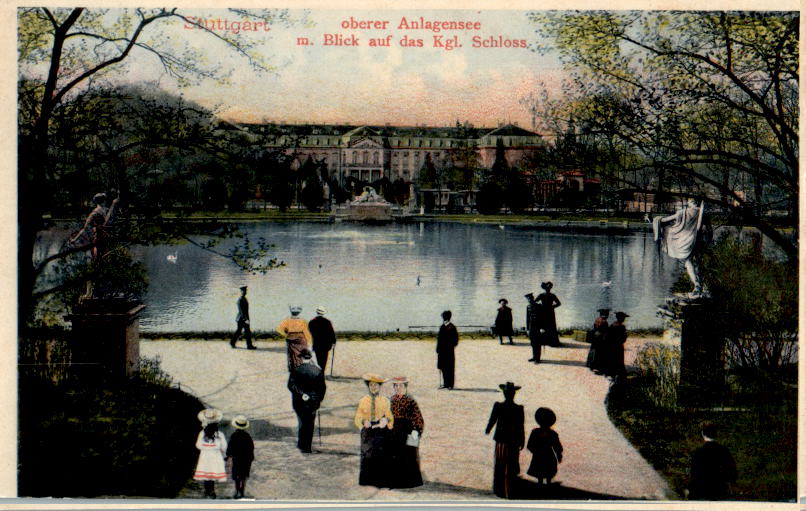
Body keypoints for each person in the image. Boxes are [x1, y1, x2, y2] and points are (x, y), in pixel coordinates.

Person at [653, 198, 708, 298]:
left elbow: (665, 220)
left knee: (688, 262)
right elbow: (707, 228)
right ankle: (702, 287)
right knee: (698, 262)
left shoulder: (682, 212)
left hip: (686, 240)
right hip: (699, 239)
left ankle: (697, 286)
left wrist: (656, 219)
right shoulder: (702, 212)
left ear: (689, 202)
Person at [485, 382, 525, 499]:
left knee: (501, 463)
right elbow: (520, 426)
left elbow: (492, 419)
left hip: (502, 439)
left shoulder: (498, 406)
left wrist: (488, 429)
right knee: (511, 464)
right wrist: (522, 440)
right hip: (512, 440)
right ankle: (509, 490)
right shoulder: (518, 408)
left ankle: (500, 489)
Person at [354, 373, 394, 487]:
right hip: (367, 429)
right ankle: (367, 480)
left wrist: (385, 421)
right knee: (367, 453)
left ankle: (380, 481)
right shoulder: (363, 400)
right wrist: (363, 421)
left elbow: (390, 416)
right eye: (371, 385)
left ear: (380, 387)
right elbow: (358, 416)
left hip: (380, 429)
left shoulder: (385, 400)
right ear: (368, 386)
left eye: (376, 385)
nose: (373, 387)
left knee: (380, 453)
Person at [388, 376, 425, 488]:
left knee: (410, 456)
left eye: (401, 386)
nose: (398, 388)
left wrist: (416, 431)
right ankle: (395, 481)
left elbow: (418, 418)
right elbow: (387, 416)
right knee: (394, 455)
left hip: (408, 431)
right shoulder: (391, 400)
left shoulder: (411, 401)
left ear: (405, 387)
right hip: (394, 431)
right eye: (396, 386)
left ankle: (411, 481)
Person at [287, 349, 327, 453]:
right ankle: (306, 447)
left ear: (301, 358)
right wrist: (318, 400)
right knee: (309, 424)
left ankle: (301, 444)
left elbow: (291, 385)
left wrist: (302, 394)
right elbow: (322, 389)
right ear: (310, 358)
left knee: (301, 422)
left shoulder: (296, 370)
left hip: (298, 402)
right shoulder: (318, 371)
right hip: (312, 403)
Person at [687, 423, 737, 500]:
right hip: (720, 490)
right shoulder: (724, 451)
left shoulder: (698, 452)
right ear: (716, 434)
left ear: (703, 434)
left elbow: (693, 473)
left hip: (702, 491)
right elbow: (732, 470)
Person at [193, 408, 228, 498]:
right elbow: (224, 446)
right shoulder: (219, 434)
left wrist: (206, 447)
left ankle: (207, 491)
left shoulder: (202, 433)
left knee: (206, 473)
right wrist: (224, 455)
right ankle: (211, 491)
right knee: (212, 473)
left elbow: (198, 445)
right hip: (215, 455)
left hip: (205, 455)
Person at [526, 407, 563, 485]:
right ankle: (546, 483)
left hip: (540, 455)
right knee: (547, 471)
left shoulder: (535, 432)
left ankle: (542, 484)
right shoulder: (552, 433)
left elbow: (530, 445)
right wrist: (559, 454)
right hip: (547, 454)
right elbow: (557, 446)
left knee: (542, 471)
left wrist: (534, 450)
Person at [226, 415, 254, 499]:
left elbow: (230, 447)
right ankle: (242, 492)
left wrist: (228, 455)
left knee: (237, 475)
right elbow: (251, 447)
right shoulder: (247, 436)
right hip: (246, 459)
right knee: (244, 475)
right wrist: (251, 457)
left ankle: (237, 490)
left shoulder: (234, 435)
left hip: (237, 459)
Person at [277, 305, 313, 371]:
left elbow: (279, 329)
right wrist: (309, 341)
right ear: (299, 312)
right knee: (302, 353)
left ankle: (294, 368)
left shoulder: (286, 320)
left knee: (293, 354)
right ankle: (301, 367)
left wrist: (286, 334)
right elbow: (306, 332)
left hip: (291, 338)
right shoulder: (303, 321)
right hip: (301, 338)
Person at [308, 306, 337, 374]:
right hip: (326, 344)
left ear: (316, 312)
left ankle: (320, 372)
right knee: (324, 359)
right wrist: (334, 341)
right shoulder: (327, 322)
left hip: (317, 343)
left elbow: (311, 332)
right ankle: (322, 372)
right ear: (323, 313)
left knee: (318, 359)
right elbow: (331, 333)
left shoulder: (311, 322)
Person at [436, 310, 459, 390]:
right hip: (442, 351)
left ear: (448, 318)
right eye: (443, 317)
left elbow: (456, 340)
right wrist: (438, 349)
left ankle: (450, 385)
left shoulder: (452, 327)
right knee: (443, 367)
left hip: (449, 351)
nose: (443, 318)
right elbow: (439, 339)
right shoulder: (442, 326)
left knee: (450, 367)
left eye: (444, 317)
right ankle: (445, 384)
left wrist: (450, 346)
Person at [603, 312, 629, 379]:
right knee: (619, 359)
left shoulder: (612, 324)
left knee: (612, 358)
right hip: (618, 345)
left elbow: (608, 335)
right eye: (623, 318)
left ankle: (610, 372)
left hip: (611, 345)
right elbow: (623, 338)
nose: (624, 319)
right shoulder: (622, 326)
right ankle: (619, 373)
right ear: (622, 319)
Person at [536, 282, 562, 347]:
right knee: (544, 325)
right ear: (545, 288)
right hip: (543, 312)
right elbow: (535, 301)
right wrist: (539, 306)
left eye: (549, 288)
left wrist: (553, 307)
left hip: (550, 312)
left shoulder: (552, 295)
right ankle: (544, 340)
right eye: (547, 288)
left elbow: (559, 303)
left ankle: (552, 341)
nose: (548, 289)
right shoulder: (541, 295)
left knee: (551, 326)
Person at [585, 308, 610, 373]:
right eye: (607, 314)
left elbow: (595, 327)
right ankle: (598, 366)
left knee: (593, 350)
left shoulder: (597, 319)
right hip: (600, 338)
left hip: (595, 337)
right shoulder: (605, 322)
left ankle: (590, 364)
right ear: (606, 315)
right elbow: (605, 332)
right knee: (599, 352)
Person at [525, 293, 542, 363]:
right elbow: (527, 318)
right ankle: (534, 357)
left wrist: (542, 327)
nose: (529, 300)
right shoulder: (528, 307)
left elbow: (543, 317)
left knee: (537, 343)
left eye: (531, 299)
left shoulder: (539, 306)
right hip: (531, 327)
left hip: (538, 327)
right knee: (532, 342)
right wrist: (527, 329)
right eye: (528, 299)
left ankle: (538, 358)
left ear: (533, 299)